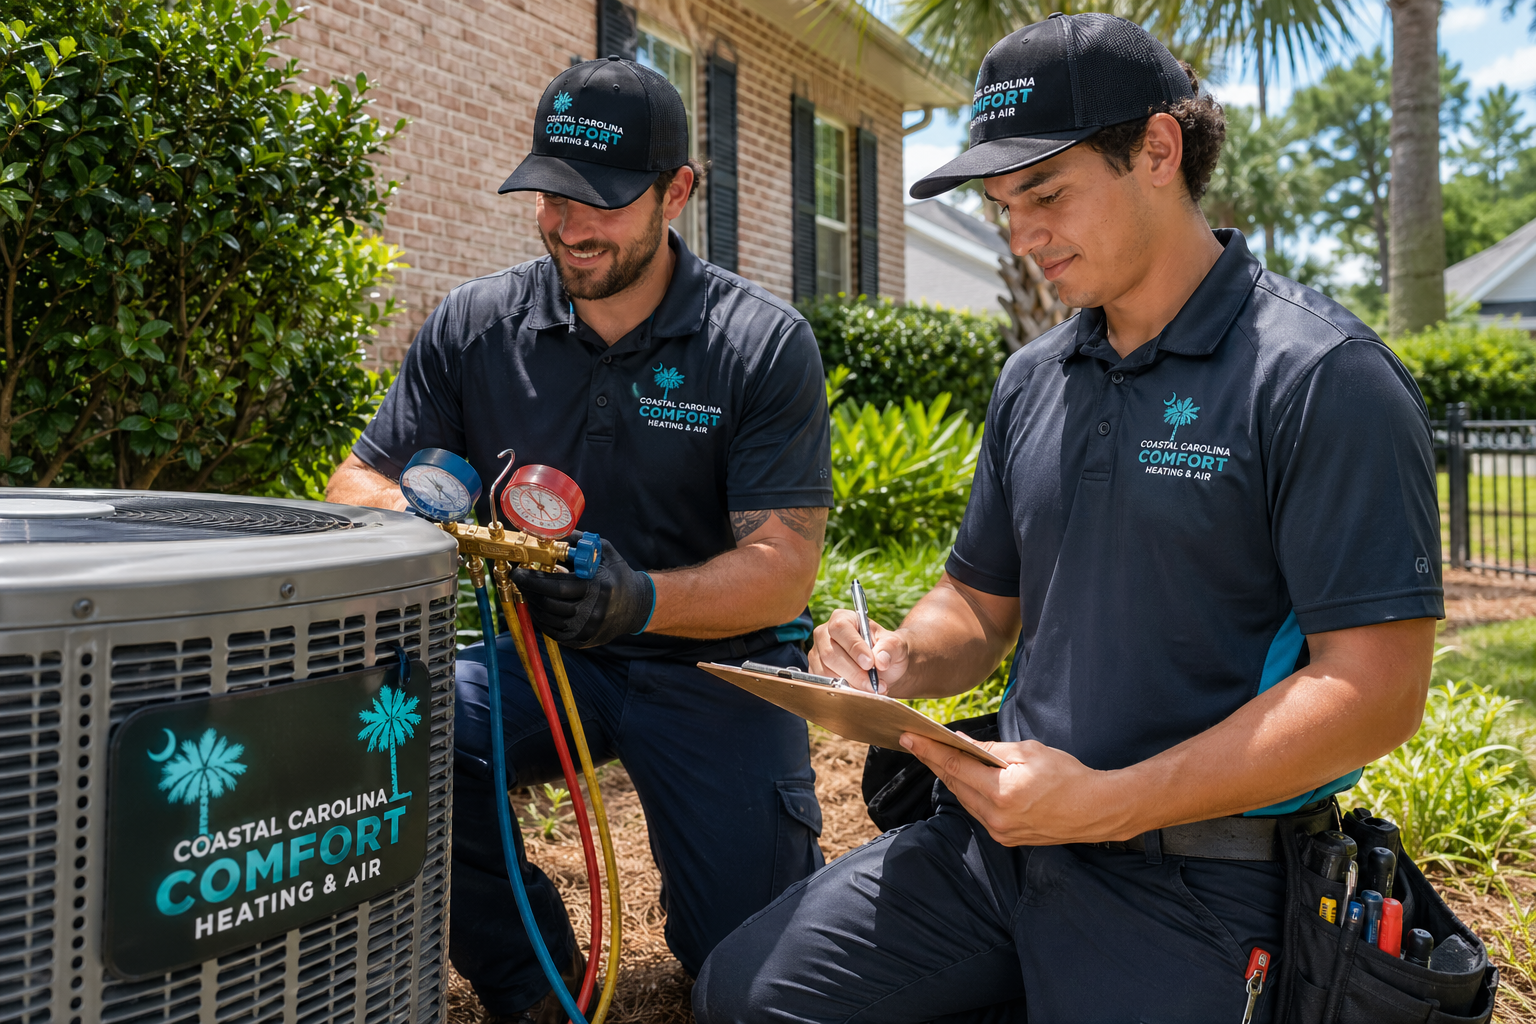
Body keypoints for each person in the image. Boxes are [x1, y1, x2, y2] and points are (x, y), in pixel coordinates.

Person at [691, 14, 1441, 1024]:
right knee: (745, 994)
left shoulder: (1320, 378)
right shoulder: (1034, 378)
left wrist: (1109, 800)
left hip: (1203, 881)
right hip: (999, 845)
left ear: (1160, 151)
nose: (1022, 234)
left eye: (1045, 193)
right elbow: (980, 603)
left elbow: (1375, 690)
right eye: (1004, 206)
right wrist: (903, 657)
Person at [326, 57, 834, 1024]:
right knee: (387, 731)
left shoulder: (760, 344)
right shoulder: (477, 326)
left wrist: (640, 599)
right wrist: (421, 521)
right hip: (544, 656)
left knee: (748, 971)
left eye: (600, 199)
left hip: (718, 669)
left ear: (676, 191)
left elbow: (782, 572)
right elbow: (361, 482)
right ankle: (541, 988)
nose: (568, 224)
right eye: (550, 193)